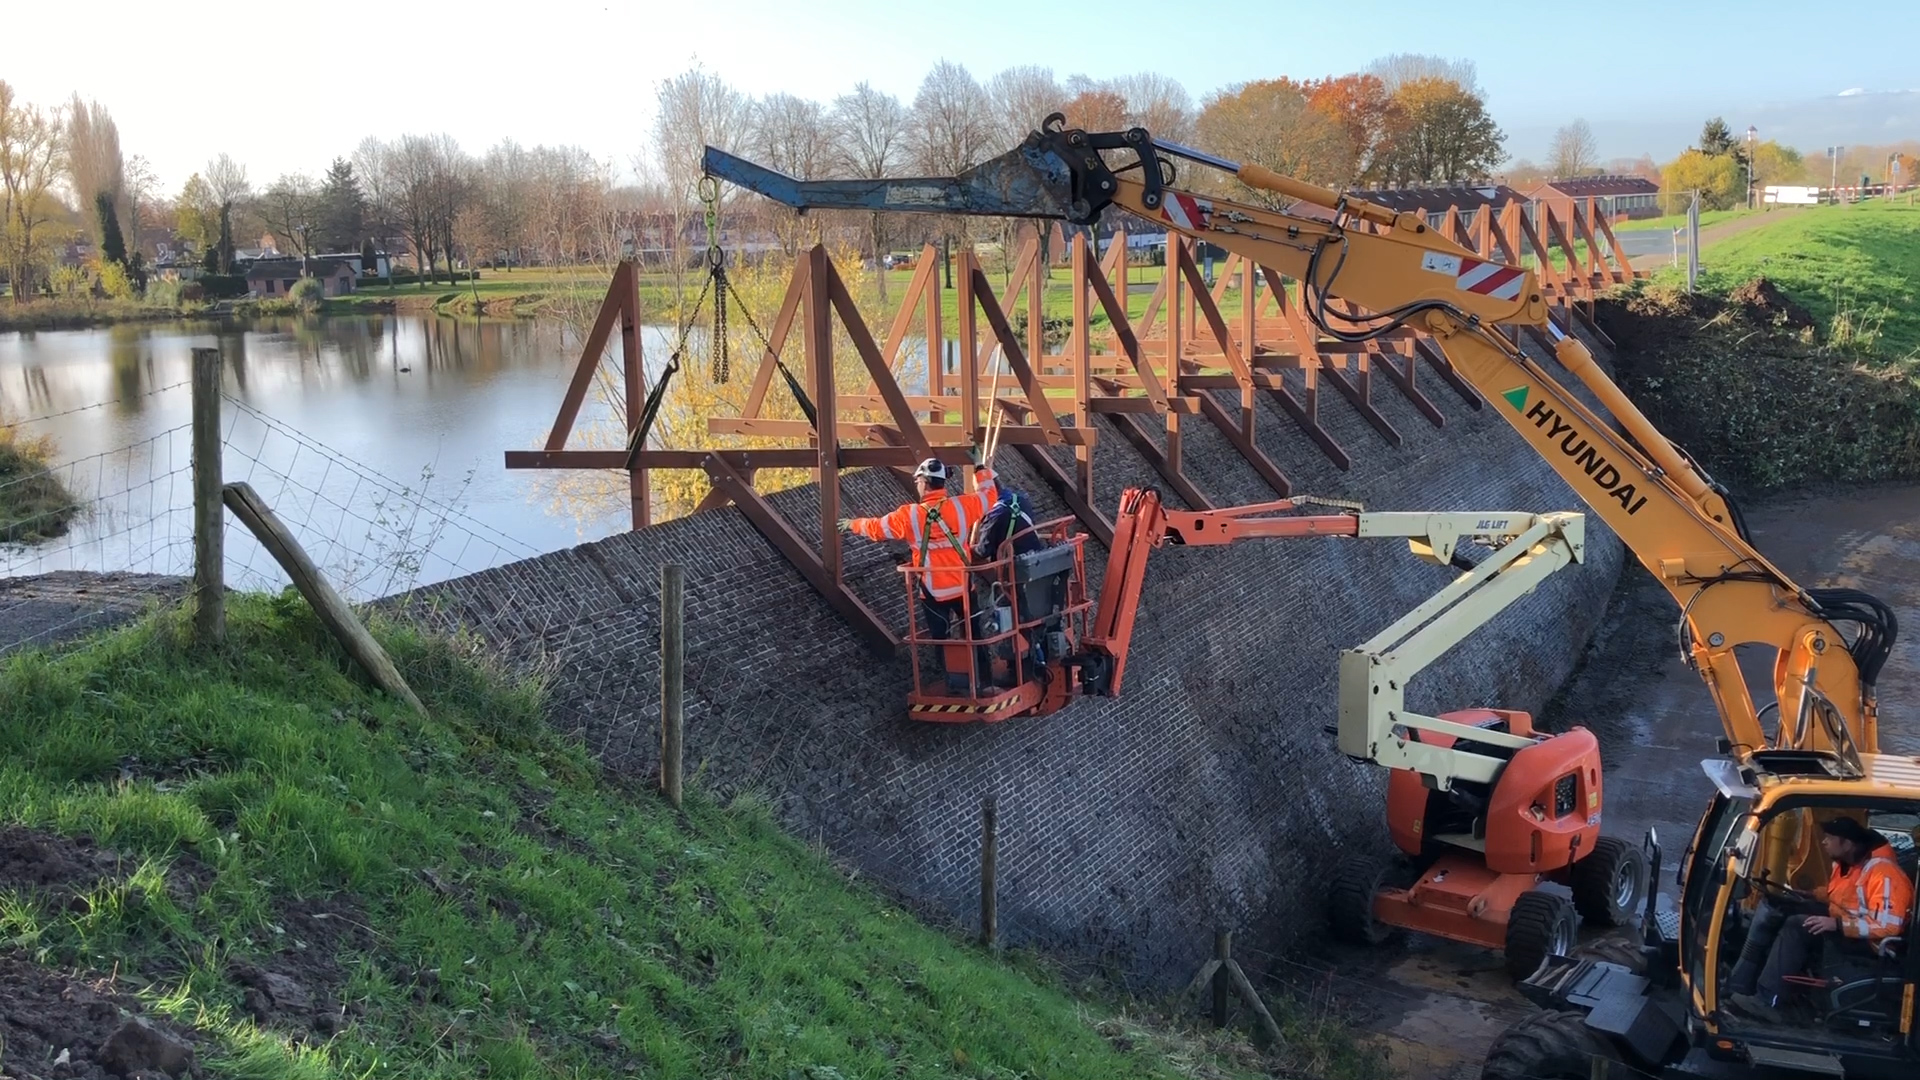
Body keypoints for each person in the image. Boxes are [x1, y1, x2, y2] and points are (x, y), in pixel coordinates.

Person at [1726, 815, 1913, 1023]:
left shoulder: (1884, 874)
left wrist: (1837, 924)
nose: (1824, 842)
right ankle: (1744, 980)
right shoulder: (1850, 864)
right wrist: (1812, 894)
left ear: (1847, 843)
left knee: (1798, 926)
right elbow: (1845, 897)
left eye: (1830, 838)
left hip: (1872, 944)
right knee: (1786, 909)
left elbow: (1888, 926)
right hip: (1851, 927)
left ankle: (1769, 1000)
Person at [838, 456, 999, 681]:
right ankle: (984, 679)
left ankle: (955, 681)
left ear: (924, 482)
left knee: (940, 640)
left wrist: (852, 524)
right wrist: (980, 468)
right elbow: (989, 496)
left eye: (917, 482)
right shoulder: (963, 506)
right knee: (975, 634)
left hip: (933, 593)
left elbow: (877, 528)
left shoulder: (910, 515)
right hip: (963, 587)